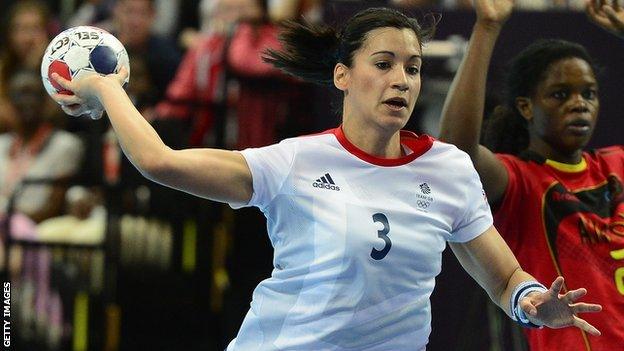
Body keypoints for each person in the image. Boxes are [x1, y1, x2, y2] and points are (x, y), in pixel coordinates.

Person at [50, 7, 602, 350]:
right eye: (383, 64)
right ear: (342, 75)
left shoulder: (449, 169)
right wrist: (106, 88)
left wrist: (533, 305)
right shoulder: (294, 162)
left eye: (411, 68)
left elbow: (505, 280)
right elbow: (161, 161)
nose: (401, 80)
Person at [438, 0, 624, 349]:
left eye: (589, 93)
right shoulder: (520, 180)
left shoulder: (617, 165)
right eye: (560, 94)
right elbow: (456, 154)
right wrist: (487, 28)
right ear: (526, 106)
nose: (579, 103)